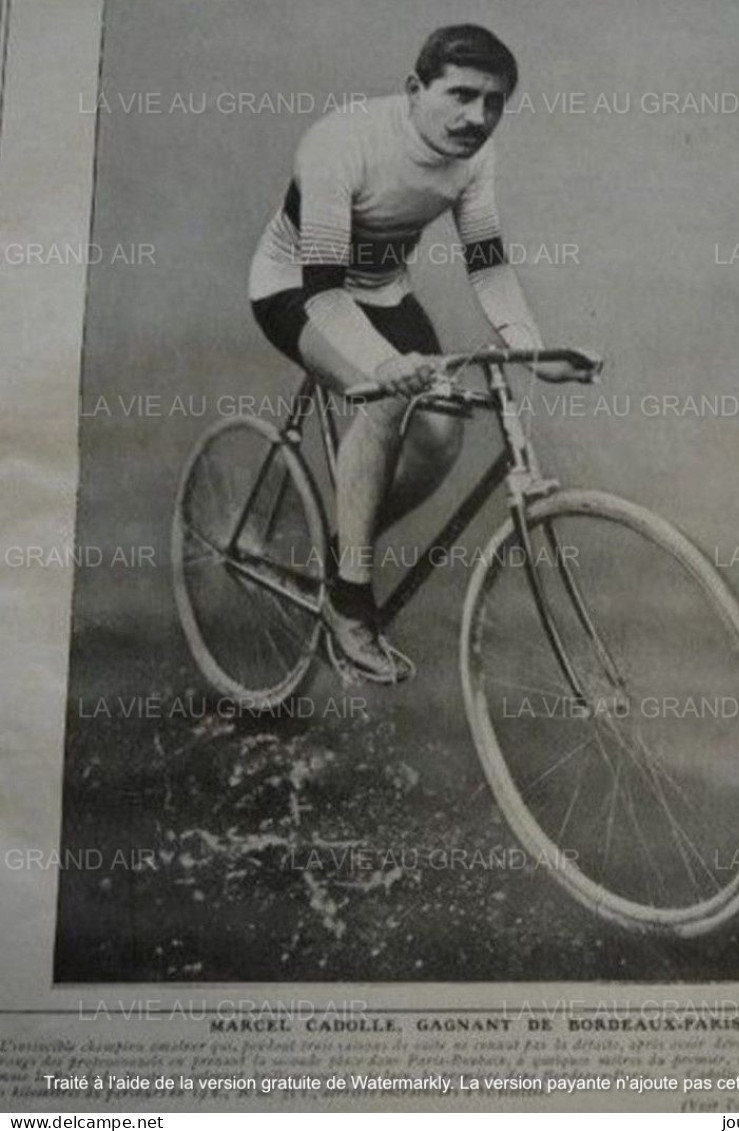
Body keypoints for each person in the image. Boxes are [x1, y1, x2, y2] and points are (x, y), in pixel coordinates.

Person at [250, 24, 573, 682]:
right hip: (299, 291)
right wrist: (385, 368)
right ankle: (349, 599)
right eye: (460, 95)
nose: (477, 117)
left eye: (494, 102)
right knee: (387, 401)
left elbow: (487, 265)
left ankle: (346, 544)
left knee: (444, 433)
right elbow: (325, 292)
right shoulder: (341, 144)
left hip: (383, 292)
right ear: (413, 90)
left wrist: (532, 349)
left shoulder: (474, 158)